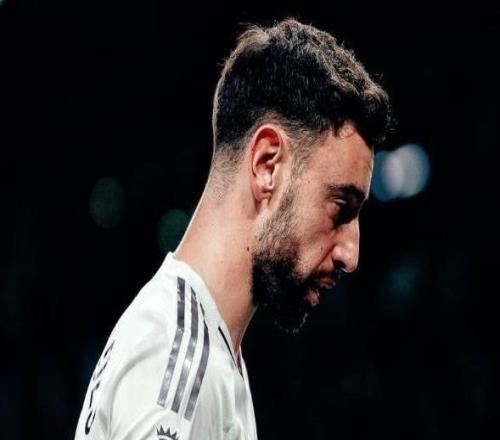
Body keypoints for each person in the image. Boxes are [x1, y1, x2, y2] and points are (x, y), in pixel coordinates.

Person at [74, 17, 392, 440]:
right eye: (341, 207)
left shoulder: (203, 349)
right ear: (267, 165)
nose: (351, 254)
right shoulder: (175, 359)